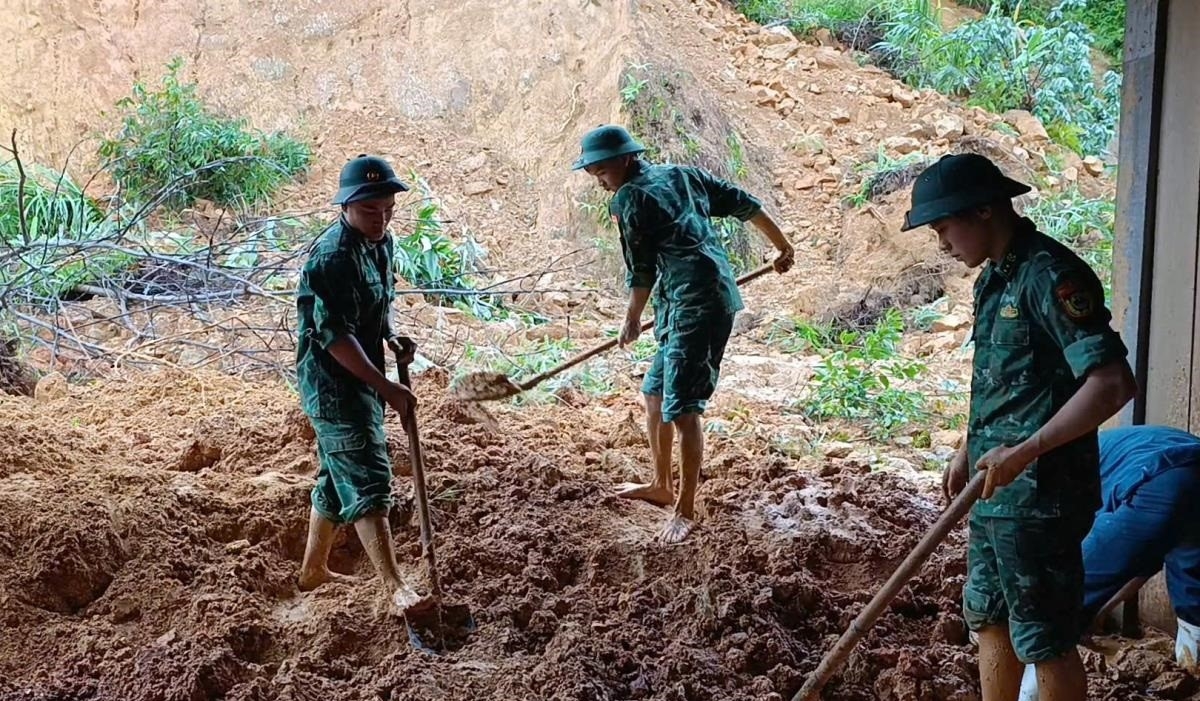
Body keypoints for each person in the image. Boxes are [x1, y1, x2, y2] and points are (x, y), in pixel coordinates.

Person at [906, 153, 1138, 701]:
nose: (942, 243)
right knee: (988, 617)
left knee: (1044, 636)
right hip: (993, 487)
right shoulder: (995, 280)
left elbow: (1111, 384)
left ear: (985, 210)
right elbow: (1008, 382)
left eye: (944, 227)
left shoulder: (1051, 276)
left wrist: (1025, 451)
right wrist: (970, 445)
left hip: (1041, 495)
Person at [572, 124, 795, 544]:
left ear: (624, 160)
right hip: (688, 301)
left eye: (601, 171)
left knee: (684, 408)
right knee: (655, 393)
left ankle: (686, 508)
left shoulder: (629, 199)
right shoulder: (682, 174)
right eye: (593, 174)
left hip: (698, 307)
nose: (599, 181)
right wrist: (783, 246)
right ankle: (661, 484)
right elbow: (745, 205)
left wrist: (632, 318)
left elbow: (641, 270)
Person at [294, 154, 423, 613]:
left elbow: (374, 305)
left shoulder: (380, 243)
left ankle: (312, 570)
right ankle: (395, 587)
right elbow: (335, 337)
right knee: (368, 476)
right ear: (345, 207)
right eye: (370, 212)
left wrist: (390, 337)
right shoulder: (332, 257)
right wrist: (387, 386)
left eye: (389, 210)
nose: (381, 220)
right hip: (334, 384)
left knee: (337, 473)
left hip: (364, 374)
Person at [1017, 424, 1200, 699]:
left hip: (1160, 478)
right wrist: (1101, 610)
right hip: (1188, 474)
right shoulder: (1112, 448)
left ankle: (1030, 694)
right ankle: (1193, 667)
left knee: (1056, 603)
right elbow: (1137, 563)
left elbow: (1084, 559)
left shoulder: (1059, 476)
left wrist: (1080, 608)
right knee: (1194, 602)